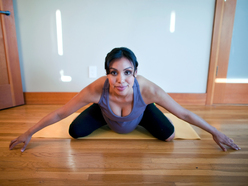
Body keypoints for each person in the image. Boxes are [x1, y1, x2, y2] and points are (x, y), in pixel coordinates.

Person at [9, 47, 240, 152]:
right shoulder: (96, 89)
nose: (120, 80)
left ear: (135, 72)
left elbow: (185, 114)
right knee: (75, 132)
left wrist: (215, 132)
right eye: (113, 72)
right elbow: (61, 112)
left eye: (127, 72)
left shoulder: (149, 90)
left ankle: (142, 114)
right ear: (107, 73)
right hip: (104, 111)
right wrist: (29, 132)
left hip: (142, 110)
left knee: (168, 136)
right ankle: (102, 112)